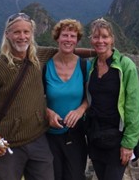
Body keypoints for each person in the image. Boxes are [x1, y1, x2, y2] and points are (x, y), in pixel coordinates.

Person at [0, 12, 94, 180]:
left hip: (38, 139)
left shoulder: (38, 56)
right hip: (9, 142)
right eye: (17, 32)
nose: (22, 37)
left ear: (32, 34)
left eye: (26, 32)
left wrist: (100, 51)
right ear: (7, 34)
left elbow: (67, 50)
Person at [85, 18, 139, 180]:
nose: (100, 41)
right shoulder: (91, 66)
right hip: (95, 137)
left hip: (117, 139)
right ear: (91, 40)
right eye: (96, 37)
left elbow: (134, 106)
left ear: (112, 39)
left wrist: (128, 143)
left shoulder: (125, 65)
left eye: (105, 37)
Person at [44, 19, 91, 180]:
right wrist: (47, 112)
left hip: (76, 134)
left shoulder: (84, 66)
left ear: (77, 41)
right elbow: (35, 98)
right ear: (57, 38)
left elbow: (90, 96)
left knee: (75, 176)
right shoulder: (45, 67)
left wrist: (81, 109)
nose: (68, 39)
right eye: (65, 35)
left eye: (73, 36)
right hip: (50, 135)